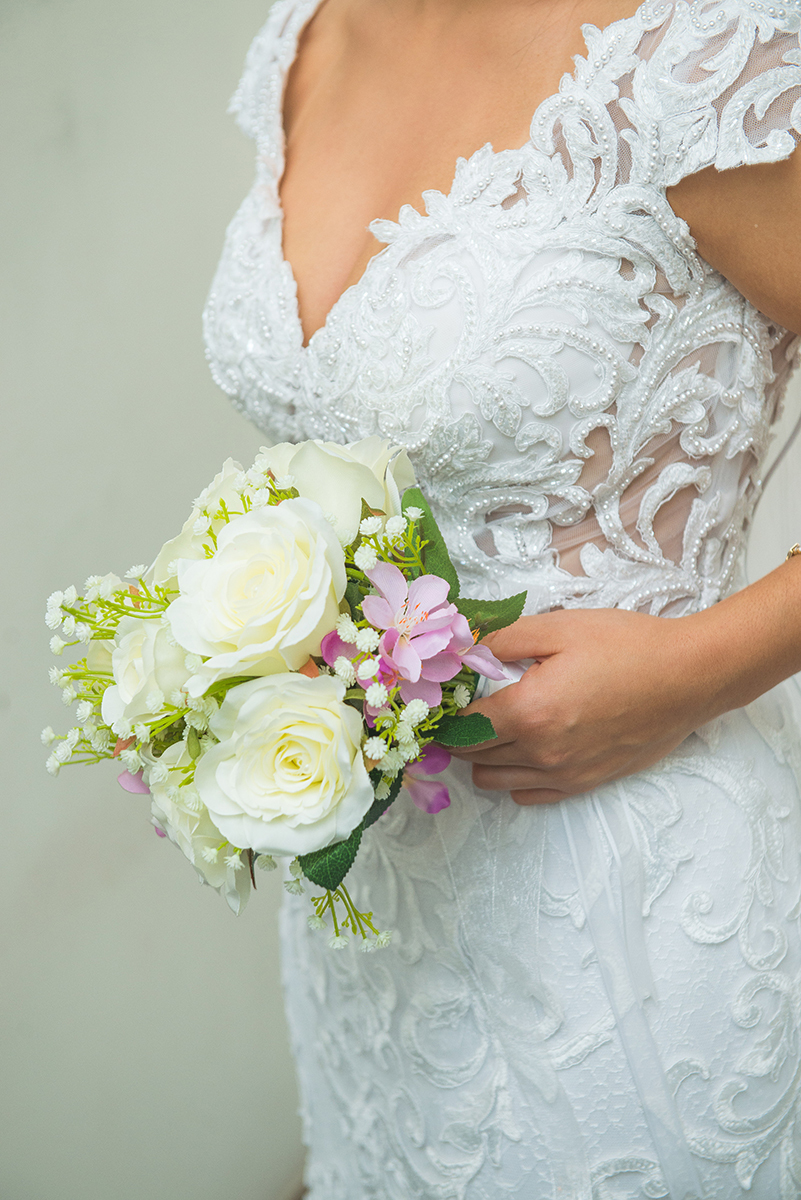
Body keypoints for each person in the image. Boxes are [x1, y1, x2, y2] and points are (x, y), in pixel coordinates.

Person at [203, 0, 801, 1195]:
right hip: (374, 919)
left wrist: (705, 665)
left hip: (633, 904)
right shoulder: (311, 29)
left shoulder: (704, 53)